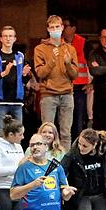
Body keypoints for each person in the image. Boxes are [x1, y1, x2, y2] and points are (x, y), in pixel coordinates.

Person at [34, 15, 79, 148]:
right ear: (48, 29)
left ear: (62, 27)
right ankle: (45, 161)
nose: (55, 29)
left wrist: (68, 64)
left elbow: (75, 75)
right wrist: (51, 62)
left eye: (57, 27)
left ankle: (64, 164)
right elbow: (40, 73)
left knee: (66, 132)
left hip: (67, 94)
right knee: (46, 133)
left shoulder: (70, 49)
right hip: (48, 94)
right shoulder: (40, 49)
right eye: (52, 27)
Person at [0, 26, 31, 136]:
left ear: (15, 38)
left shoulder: (20, 56)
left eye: (11, 36)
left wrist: (25, 75)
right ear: (1, 38)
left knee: (18, 134)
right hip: (0, 101)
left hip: (17, 101)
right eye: (5, 36)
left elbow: (24, 80)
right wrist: (3, 74)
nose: (8, 39)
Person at [62, 16, 92, 139]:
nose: (63, 28)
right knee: (62, 120)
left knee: (78, 119)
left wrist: (91, 83)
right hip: (62, 86)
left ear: (73, 28)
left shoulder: (84, 43)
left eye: (65, 25)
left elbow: (93, 64)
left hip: (80, 88)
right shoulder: (56, 43)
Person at [88, 29, 106, 134]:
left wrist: (102, 69)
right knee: (99, 130)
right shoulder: (94, 53)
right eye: (104, 37)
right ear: (100, 39)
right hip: (100, 98)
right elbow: (94, 71)